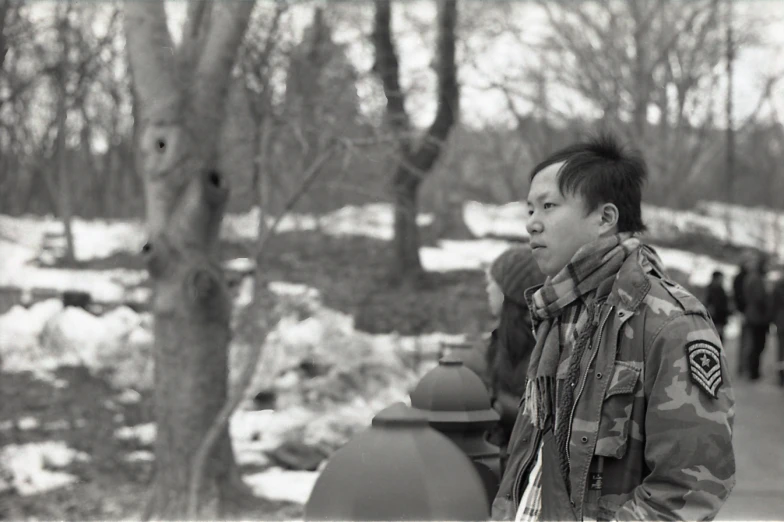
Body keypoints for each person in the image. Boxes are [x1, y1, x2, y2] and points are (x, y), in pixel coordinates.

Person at [491, 134, 735, 521]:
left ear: (605, 218)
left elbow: (692, 485)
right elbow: (533, 460)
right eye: (529, 210)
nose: (532, 225)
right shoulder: (557, 313)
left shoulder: (671, 324)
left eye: (548, 207)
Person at [481, 246, 546, 472]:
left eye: (493, 282)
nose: (487, 289)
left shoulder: (541, 347)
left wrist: (496, 405)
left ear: (511, 292)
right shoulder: (501, 342)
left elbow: (539, 422)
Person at [743, 254, 771, 381]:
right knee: (757, 344)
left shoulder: (752, 277)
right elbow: (760, 299)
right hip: (758, 317)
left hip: (754, 315)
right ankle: (753, 371)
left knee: (756, 344)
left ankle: (752, 370)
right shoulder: (756, 279)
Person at [705, 270, 730, 342]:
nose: (722, 280)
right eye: (720, 278)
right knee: (716, 340)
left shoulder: (720, 289)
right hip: (716, 319)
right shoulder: (713, 289)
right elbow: (712, 305)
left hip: (720, 319)